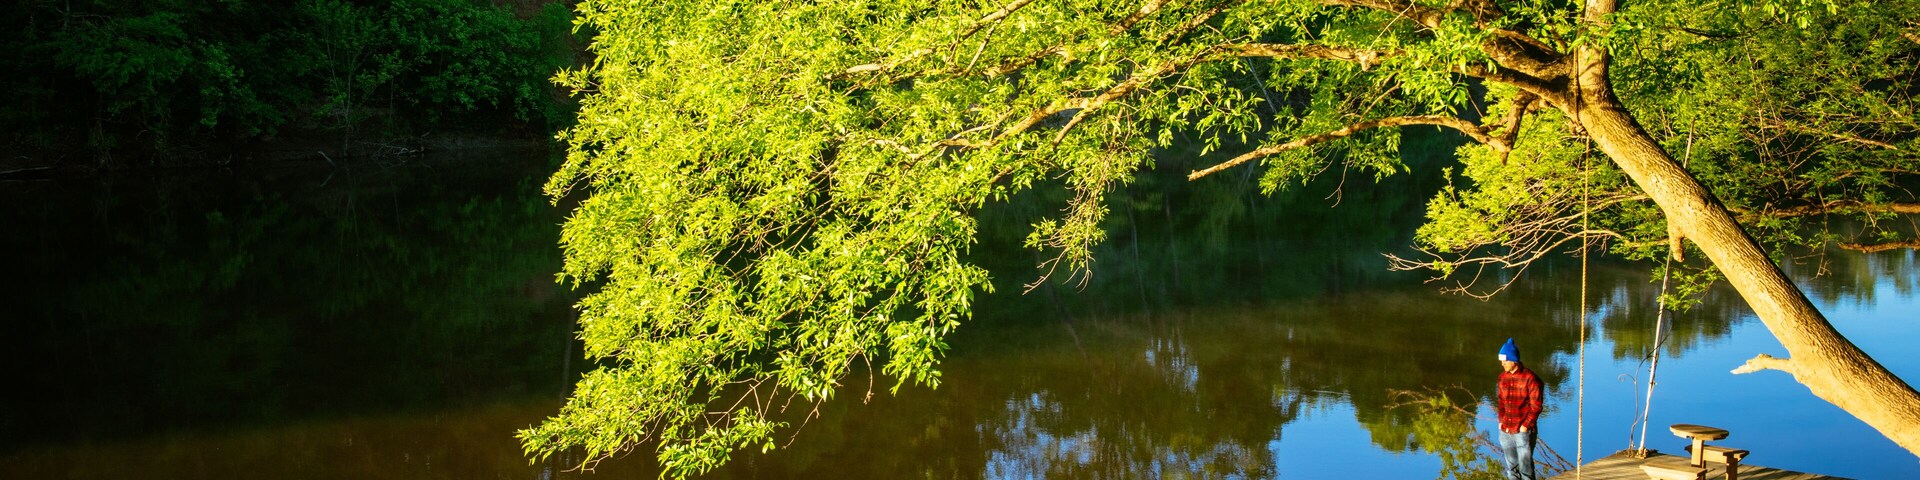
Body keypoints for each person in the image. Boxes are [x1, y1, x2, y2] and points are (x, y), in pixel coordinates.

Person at [1495, 338, 1544, 480]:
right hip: (1506, 430)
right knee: (1512, 470)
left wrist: (1525, 426)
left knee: (1526, 471)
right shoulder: (1502, 378)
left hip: (1523, 431)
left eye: (1504, 360)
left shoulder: (1531, 379)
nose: (1502, 363)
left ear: (1513, 360)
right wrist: (1501, 421)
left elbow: (1536, 406)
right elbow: (1501, 402)